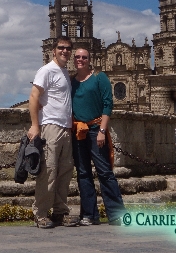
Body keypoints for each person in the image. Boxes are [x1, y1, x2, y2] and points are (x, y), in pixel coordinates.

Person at [28, 36, 79, 229]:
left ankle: (60, 212)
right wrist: (35, 125)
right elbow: (34, 96)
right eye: (61, 48)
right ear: (53, 50)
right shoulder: (47, 70)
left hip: (66, 128)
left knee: (64, 172)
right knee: (48, 172)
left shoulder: (64, 71)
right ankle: (40, 213)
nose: (65, 51)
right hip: (51, 127)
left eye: (68, 48)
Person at [71, 47, 125, 226]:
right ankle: (89, 214)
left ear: (89, 59)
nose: (80, 60)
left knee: (104, 171)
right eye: (77, 57)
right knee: (83, 173)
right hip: (79, 131)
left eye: (84, 57)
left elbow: (108, 104)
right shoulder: (71, 81)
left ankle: (117, 214)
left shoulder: (99, 77)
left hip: (95, 130)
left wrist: (102, 130)